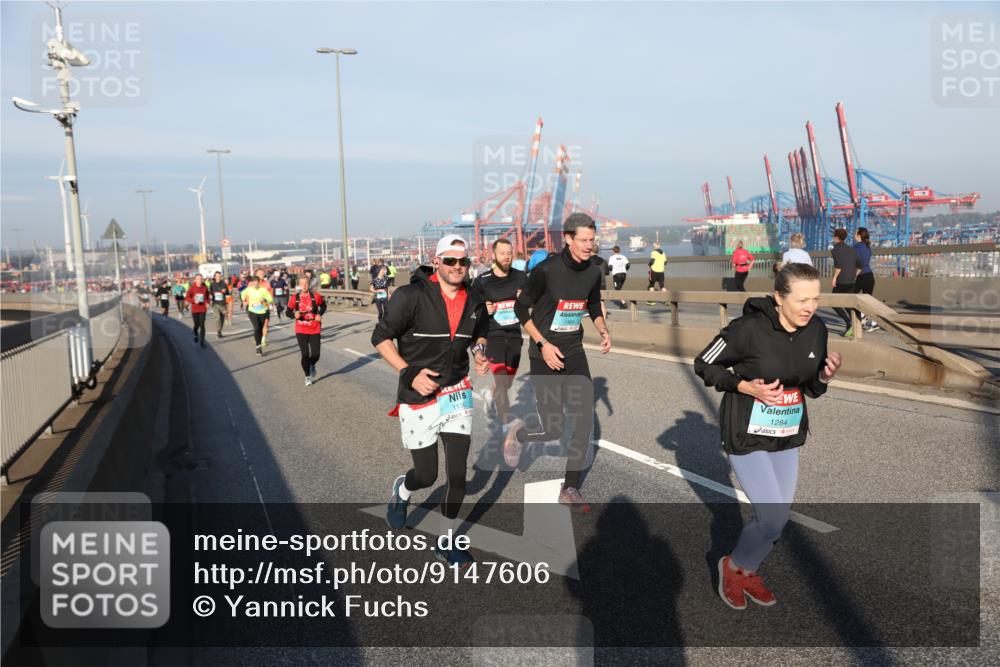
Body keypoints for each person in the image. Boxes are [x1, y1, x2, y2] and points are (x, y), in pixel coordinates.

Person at [694, 263, 841, 610]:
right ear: (779, 297)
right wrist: (743, 385)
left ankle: (745, 569)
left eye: (815, 299)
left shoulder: (816, 330)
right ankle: (731, 566)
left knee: (777, 520)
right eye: (802, 299)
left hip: (786, 434)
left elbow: (811, 387)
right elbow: (704, 364)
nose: (809, 307)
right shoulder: (746, 330)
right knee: (773, 517)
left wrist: (825, 376)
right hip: (747, 432)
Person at [373, 234, 490, 567]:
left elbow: (482, 329)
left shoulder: (474, 297)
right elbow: (380, 338)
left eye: (462, 261)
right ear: (435, 261)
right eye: (450, 260)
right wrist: (409, 372)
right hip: (418, 397)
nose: (457, 267)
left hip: (456, 393)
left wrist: (479, 352)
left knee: (457, 476)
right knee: (426, 475)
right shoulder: (410, 297)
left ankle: (447, 541)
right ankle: (402, 491)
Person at [503, 213, 612, 512]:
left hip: (574, 351)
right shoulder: (546, 271)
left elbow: (591, 305)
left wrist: (602, 330)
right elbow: (520, 308)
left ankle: (570, 487)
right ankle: (520, 433)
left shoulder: (593, 272)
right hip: (543, 355)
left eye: (592, 239)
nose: (589, 245)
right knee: (553, 428)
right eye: (583, 240)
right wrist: (543, 343)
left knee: (583, 423)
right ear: (567, 238)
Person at [473, 238, 527, 424]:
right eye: (503, 253)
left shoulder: (521, 277)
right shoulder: (482, 281)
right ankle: (505, 424)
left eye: (509, 253)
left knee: (507, 382)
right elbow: (472, 309)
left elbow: (532, 303)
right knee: (503, 380)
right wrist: (483, 308)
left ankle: (490, 393)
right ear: (493, 255)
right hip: (493, 335)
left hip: (514, 335)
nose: (507, 257)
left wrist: (525, 299)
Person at [287, 275, 327, 386]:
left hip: (315, 328)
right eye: (302, 283)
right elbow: (288, 312)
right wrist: (293, 315)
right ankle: (307, 376)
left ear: (309, 284)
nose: (304, 285)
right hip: (301, 329)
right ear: (299, 285)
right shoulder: (295, 298)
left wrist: (319, 314)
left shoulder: (316, 296)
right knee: (305, 354)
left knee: (316, 354)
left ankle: (312, 364)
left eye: (306, 283)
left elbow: (323, 306)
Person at [830, 228, 859, 337]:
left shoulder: (834, 250)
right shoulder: (851, 249)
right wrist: (854, 274)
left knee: (833, 302)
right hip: (851, 280)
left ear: (836, 237)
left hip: (841, 280)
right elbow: (859, 264)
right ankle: (852, 323)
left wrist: (834, 278)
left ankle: (849, 322)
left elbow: (838, 265)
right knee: (847, 302)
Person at [853, 227, 878, 332]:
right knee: (868, 301)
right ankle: (874, 322)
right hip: (869, 276)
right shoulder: (867, 246)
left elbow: (857, 263)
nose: (853, 235)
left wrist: (853, 275)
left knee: (851, 298)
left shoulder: (856, 247)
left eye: (855, 233)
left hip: (861, 275)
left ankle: (861, 317)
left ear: (859, 236)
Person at [241, 274, 273, 356]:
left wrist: (265, 299)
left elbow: (270, 298)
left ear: (259, 282)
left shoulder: (263, 290)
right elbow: (242, 293)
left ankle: (258, 342)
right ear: (252, 283)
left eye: (256, 282)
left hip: (262, 312)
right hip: (252, 311)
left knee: (260, 330)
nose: (255, 284)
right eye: (253, 282)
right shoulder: (249, 289)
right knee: (256, 328)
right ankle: (258, 347)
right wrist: (244, 299)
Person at [185, 274, 210, 348]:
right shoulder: (192, 288)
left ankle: (202, 342)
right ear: (195, 280)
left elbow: (207, 297)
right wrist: (193, 300)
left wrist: (208, 303)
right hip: (195, 309)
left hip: (202, 309)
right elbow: (187, 298)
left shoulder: (204, 288)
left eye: (201, 279)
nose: (199, 280)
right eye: (198, 279)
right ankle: (195, 334)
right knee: (197, 325)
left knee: (202, 325)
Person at [208, 271, 230, 338]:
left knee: (222, 319)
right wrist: (210, 296)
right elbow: (209, 293)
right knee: (217, 318)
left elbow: (228, 294)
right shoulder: (212, 284)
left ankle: (219, 331)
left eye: (219, 276)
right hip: (215, 304)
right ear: (215, 277)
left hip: (223, 304)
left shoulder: (224, 284)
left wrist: (228, 303)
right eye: (217, 276)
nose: (218, 277)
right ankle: (218, 330)